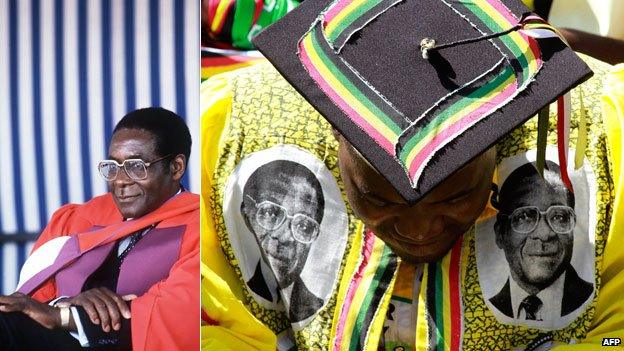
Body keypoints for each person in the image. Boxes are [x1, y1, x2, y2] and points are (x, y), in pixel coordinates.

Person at [201, 0, 624, 349]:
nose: (419, 230)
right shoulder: (234, 129)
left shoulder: (601, 134)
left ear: (506, 133)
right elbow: (215, 326)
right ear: (333, 131)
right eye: (380, 199)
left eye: (454, 197)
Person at [0, 108, 199, 351]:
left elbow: (177, 312)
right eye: (113, 167)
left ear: (176, 167)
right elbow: (31, 300)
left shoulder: (198, 228)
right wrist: (63, 303)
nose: (120, 180)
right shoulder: (78, 218)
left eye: (137, 166)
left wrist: (66, 317)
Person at [489, 161, 593, 322]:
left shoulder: (597, 301)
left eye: (559, 216)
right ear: (501, 233)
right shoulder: (487, 309)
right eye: (524, 216)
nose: (544, 234)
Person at [240, 160, 324, 323]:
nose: (284, 237)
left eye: (304, 226)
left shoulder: (319, 311)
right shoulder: (230, 294)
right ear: (247, 217)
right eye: (271, 213)